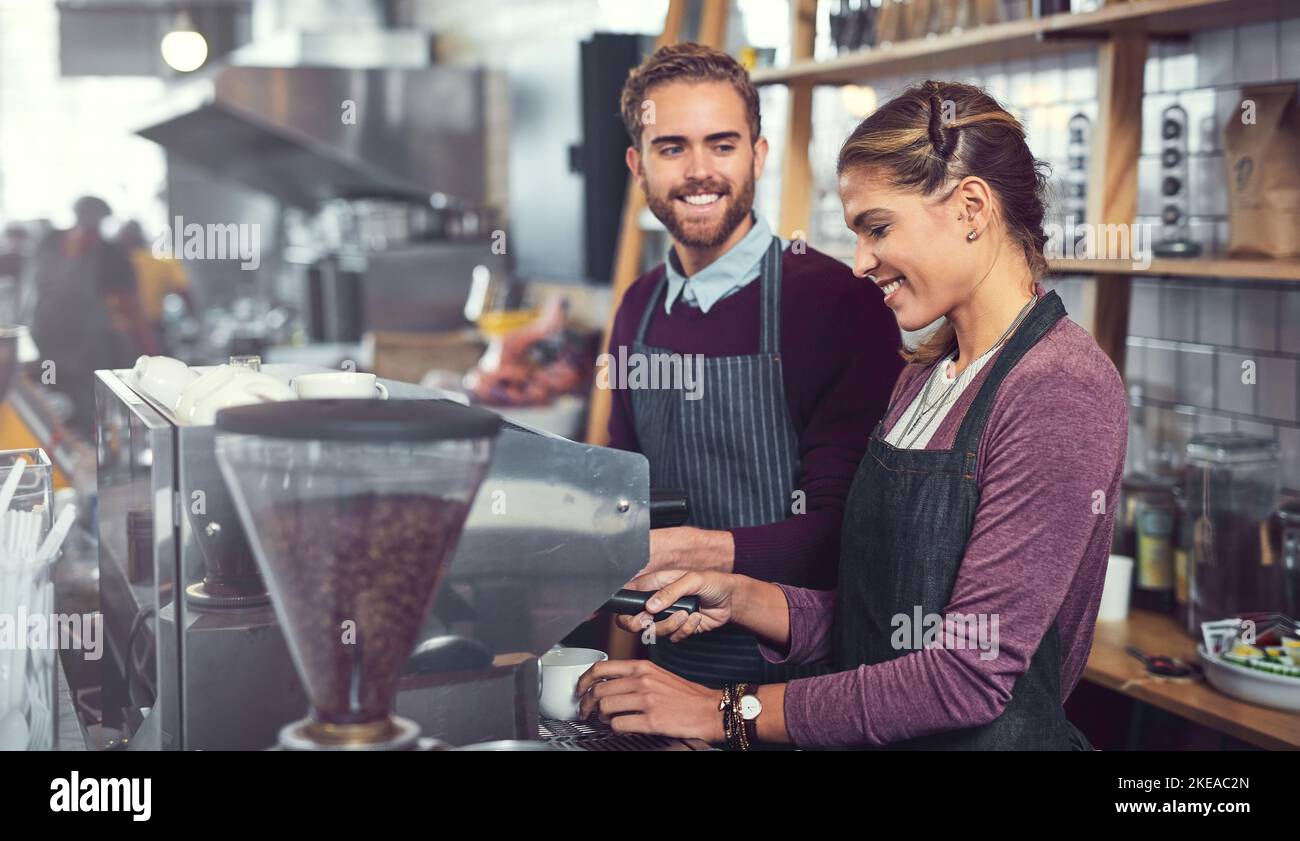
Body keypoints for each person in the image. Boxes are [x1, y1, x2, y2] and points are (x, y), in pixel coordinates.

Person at [578, 80, 1129, 750]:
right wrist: (745, 596)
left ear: (972, 208)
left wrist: (726, 710)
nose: (862, 262)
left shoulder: (1056, 388)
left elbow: (966, 674)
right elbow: (878, 625)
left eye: (878, 228)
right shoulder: (924, 377)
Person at [603, 43, 904, 688]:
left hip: (804, 688)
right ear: (638, 166)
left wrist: (698, 548)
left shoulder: (836, 303)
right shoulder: (637, 308)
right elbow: (622, 506)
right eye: (671, 147)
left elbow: (849, 534)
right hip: (666, 677)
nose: (699, 172)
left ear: (758, 156)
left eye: (722, 144)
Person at [27, 196, 153, 434]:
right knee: (61, 407)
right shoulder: (107, 254)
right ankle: (70, 453)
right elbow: (130, 308)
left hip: (65, 351)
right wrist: (147, 347)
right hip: (64, 351)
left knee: (67, 409)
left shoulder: (54, 243)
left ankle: (73, 454)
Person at [117, 220, 192, 348]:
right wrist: (193, 319)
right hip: (152, 328)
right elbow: (184, 292)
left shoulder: (114, 265)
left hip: (121, 331)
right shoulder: (163, 262)